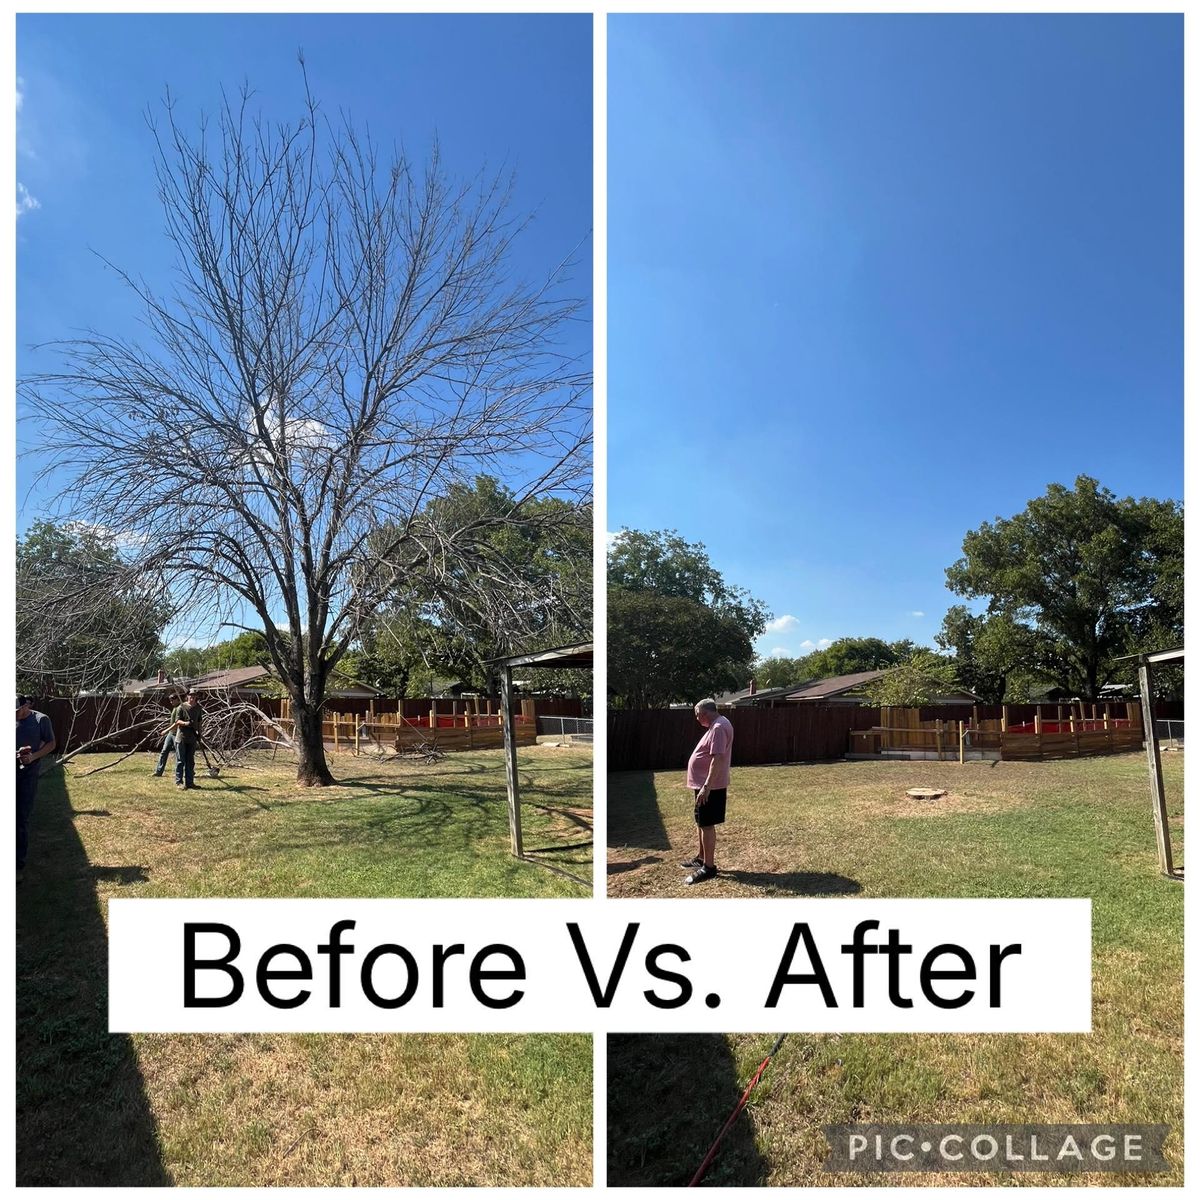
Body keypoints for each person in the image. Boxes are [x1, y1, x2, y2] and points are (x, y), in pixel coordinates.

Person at [682, 698, 733, 885]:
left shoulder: (718, 727)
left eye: (696, 715)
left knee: (707, 824)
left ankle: (709, 867)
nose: (696, 718)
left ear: (704, 713)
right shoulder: (717, 725)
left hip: (709, 786)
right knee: (702, 822)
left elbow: (717, 759)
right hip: (704, 785)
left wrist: (706, 787)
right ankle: (702, 857)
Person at [16, 694, 56, 882]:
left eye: (17, 711)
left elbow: (51, 743)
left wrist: (32, 757)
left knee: (20, 818)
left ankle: (17, 865)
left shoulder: (41, 720)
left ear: (26, 705)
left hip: (27, 776)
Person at [170, 691, 203, 790]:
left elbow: (199, 721)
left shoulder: (198, 708)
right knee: (180, 761)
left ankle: (190, 783)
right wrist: (186, 723)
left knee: (190, 761)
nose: (192, 698)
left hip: (192, 738)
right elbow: (177, 721)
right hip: (181, 738)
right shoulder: (181, 707)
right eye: (190, 696)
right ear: (187, 696)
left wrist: (199, 734)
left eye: (194, 696)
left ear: (196, 696)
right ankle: (179, 782)